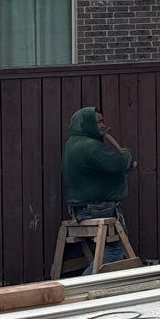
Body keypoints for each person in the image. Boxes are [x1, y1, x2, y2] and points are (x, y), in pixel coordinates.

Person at [62, 107, 135, 268]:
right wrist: (126, 155)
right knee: (115, 251)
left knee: (113, 251)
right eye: (99, 122)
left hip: (80, 209)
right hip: (96, 208)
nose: (104, 125)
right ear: (87, 124)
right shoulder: (90, 146)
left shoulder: (72, 143)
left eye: (103, 121)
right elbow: (117, 163)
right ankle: (83, 284)